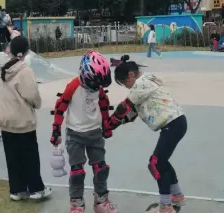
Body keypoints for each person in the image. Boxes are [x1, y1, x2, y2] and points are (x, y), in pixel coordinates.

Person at [109, 55, 186, 213]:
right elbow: (131, 115)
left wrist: (109, 124)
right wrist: (112, 127)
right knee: (161, 161)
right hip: (176, 123)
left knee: (155, 163)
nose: (126, 87)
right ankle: (176, 195)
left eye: (125, 83)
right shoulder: (146, 84)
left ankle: (166, 206)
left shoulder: (140, 84)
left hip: (173, 124)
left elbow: (124, 108)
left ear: (131, 75)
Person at [51, 51, 118, 213]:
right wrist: (56, 130)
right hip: (75, 135)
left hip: (95, 133)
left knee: (101, 168)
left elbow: (103, 104)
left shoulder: (98, 87)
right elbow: (60, 107)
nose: (98, 88)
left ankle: (101, 201)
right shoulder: (73, 86)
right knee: (77, 171)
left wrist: (106, 125)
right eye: (97, 84)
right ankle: (77, 204)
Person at [0, 35, 51, 201]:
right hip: (22, 119)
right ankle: (36, 188)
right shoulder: (24, 70)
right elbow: (32, 95)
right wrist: (38, 104)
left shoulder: (5, 69)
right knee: (30, 156)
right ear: (27, 51)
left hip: (6, 120)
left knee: (12, 157)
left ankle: (17, 190)